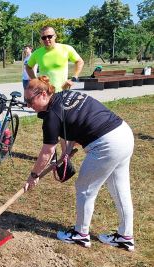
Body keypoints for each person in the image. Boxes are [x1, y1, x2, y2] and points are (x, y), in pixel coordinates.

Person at [23, 76, 134, 252]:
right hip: (123, 134)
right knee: (120, 188)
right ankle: (125, 237)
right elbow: (74, 124)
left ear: (43, 94)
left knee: (85, 188)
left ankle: (81, 235)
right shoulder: (65, 96)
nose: (28, 105)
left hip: (106, 144)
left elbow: (47, 152)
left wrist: (33, 176)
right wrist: (66, 153)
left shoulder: (51, 116)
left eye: (29, 101)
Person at [26, 26, 84, 92]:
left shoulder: (66, 48)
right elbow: (28, 67)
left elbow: (79, 62)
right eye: (44, 37)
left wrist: (74, 78)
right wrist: (35, 80)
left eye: (49, 36)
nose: (47, 39)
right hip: (44, 93)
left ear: (55, 36)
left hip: (62, 91)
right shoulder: (37, 53)